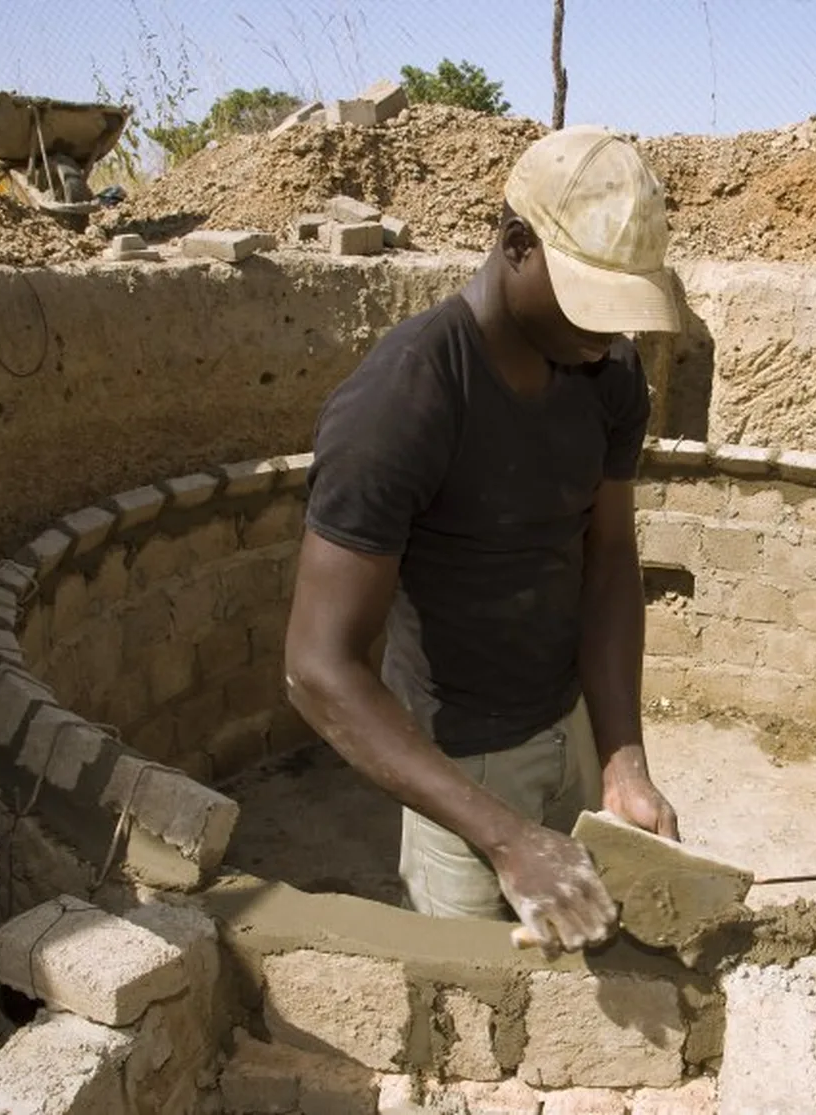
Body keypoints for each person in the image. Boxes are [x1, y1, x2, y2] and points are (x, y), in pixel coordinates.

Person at [284, 125, 683, 959]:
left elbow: (608, 560)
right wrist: (502, 837)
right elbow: (318, 670)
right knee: (471, 1001)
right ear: (514, 245)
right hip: (455, 756)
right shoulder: (404, 401)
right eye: (590, 301)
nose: (611, 336)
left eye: (625, 311)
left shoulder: (609, 375)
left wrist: (621, 757)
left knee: (593, 953)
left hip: (570, 719)